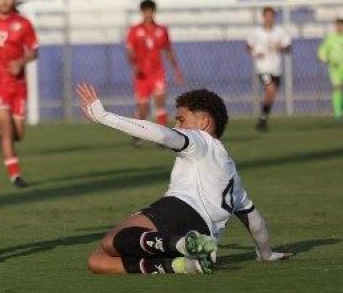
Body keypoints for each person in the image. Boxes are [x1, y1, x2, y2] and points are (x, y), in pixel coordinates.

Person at [76, 83, 292, 274]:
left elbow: (161, 133)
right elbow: (255, 222)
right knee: (98, 262)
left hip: (180, 211)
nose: (177, 126)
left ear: (204, 122)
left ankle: (181, 244)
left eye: (181, 119)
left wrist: (104, 117)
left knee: (111, 242)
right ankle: (185, 264)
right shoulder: (231, 173)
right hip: (205, 232)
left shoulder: (200, 139)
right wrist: (266, 253)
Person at [0, 0, 38, 188]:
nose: (4, 0)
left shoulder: (23, 23)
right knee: (7, 129)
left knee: (18, 134)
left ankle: (1, 135)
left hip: (18, 85)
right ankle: (15, 176)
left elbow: (33, 51)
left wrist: (21, 62)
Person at [125, 0, 184, 145]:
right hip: (142, 76)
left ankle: (161, 138)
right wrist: (134, 66)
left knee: (160, 105)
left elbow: (168, 51)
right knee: (143, 109)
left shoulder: (162, 30)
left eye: (150, 11)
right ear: (142, 12)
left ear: (153, 12)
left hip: (157, 73)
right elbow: (130, 52)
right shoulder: (134, 30)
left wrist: (176, 71)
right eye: (145, 11)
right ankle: (137, 134)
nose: (148, 14)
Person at [246, 6, 291, 131]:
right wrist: (255, 52)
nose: (269, 19)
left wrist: (281, 48)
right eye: (267, 16)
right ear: (263, 17)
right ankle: (262, 120)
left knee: (271, 95)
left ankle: (262, 119)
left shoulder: (280, 32)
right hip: (262, 68)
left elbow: (288, 47)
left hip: (276, 68)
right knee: (270, 90)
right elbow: (248, 46)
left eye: (271, 16)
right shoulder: (256, 32)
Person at [318, 18, 343, 120]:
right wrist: (326, 60)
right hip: (335, 68)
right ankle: (338, 113)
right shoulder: (330, 38)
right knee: (337, 88)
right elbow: (322, 52)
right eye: (338, 25)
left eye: (341, 25)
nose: (340, 27)